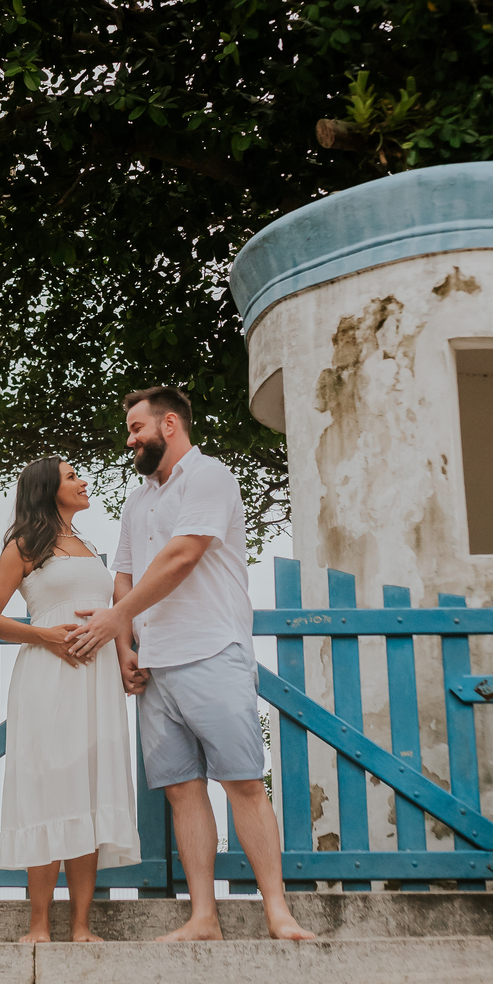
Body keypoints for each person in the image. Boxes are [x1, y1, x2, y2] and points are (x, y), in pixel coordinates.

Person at [68, 386, 316, 943]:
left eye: (136, 428)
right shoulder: (138, 500)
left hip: (212, 650)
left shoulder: (209, 477)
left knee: (243, 783)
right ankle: (203, 917)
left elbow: (184, 554)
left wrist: (113, 620)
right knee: (182, 790)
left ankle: (278, 911)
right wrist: (125, 644)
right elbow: (124, 576)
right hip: (155, 666)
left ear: (170, 425)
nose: (129, 439)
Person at [0, 455, 140, 942]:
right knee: (49, 790)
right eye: (72, 477)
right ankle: (40, 925)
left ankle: (83, 925)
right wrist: (46, 636)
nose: (83, 481)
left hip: (97, 680)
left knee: (88, 789)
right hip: (49, 678)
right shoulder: (25, 545)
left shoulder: (88, 547)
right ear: (49, 489)